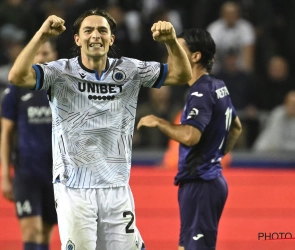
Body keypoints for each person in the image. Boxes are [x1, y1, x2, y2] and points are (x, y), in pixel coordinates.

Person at [8, 8, 192, 250]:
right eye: (88, 30)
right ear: (77, 39)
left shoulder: (130, 70)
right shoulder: (60, 72)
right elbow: (17, 76)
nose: (96, 35)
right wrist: (42, 34)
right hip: (74, 188)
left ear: (111, 39)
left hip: (116, 188)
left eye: (102, 30)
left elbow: (181, 74)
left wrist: (170, 42)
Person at [137, 28, 242, 250]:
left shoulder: (199, 92)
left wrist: (159, 122)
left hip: (200, 184)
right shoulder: (217, 86)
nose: (171, 57)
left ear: (195, 57)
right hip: (211, 180)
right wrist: (216, 156)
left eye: (178, 51)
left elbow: (190, 136)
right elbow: (235, 128)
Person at [1, 39, 57, 250]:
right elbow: (6, 134)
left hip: (56, 174)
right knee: (31, 230)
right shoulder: (16, 91)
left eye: (47, 53)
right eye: (39, 54)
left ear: (55, 56)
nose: (43, 58)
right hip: (27, 172)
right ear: (31, 58)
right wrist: (6, 175)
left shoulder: (61, 89)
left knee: (44, 232)